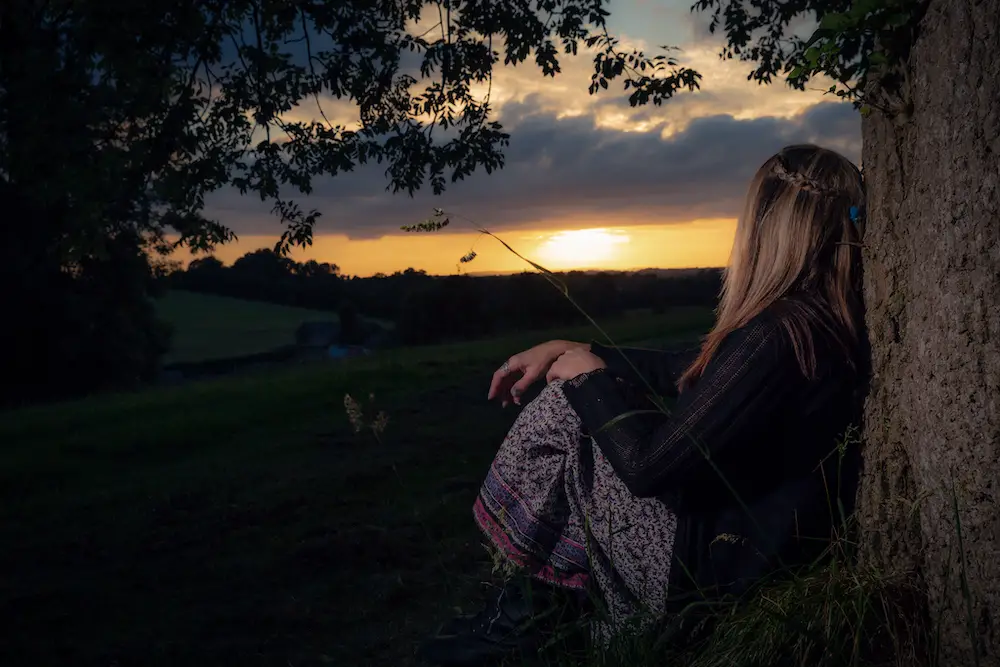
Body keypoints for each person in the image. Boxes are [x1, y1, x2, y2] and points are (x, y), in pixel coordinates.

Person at [418, 144, 869, 666]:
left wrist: (586, 381)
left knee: (568, 410)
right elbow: (685, 367)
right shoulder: (810, 322)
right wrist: (578, 350)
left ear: (768, 225)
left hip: (710, 573)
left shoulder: (777, 336)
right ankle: (542, 606)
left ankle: (524, 614)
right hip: (731, 552)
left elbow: (648, 468)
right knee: (584, 402)